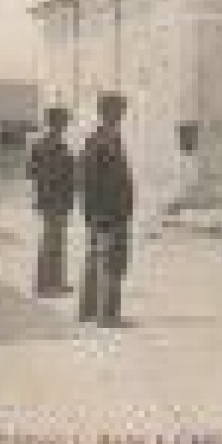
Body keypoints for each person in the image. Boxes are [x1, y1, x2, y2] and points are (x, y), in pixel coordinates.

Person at [78, 93, 135, 328]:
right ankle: (107, 315)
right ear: (108, 114)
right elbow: (88, 179)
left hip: (108, 210)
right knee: (111, 260)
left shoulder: (107, 139)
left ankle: (89, 310)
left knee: (97, 258)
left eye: (121, 113)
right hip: (108, 211)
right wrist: (94, 211)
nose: (120, 116)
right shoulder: (101, 142)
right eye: (117, 112)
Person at [26, 106, 76, 297]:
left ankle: (56, 281)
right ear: (53, 124)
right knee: (50, 241)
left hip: (59, 198)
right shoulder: (45, 146)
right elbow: (32, 171)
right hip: (51, 199)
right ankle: (44, 285)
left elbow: (31, 171)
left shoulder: (58, 145)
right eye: (61, 123)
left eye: (64, 124)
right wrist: (47, 182)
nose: (63, 127)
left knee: (58, 241)